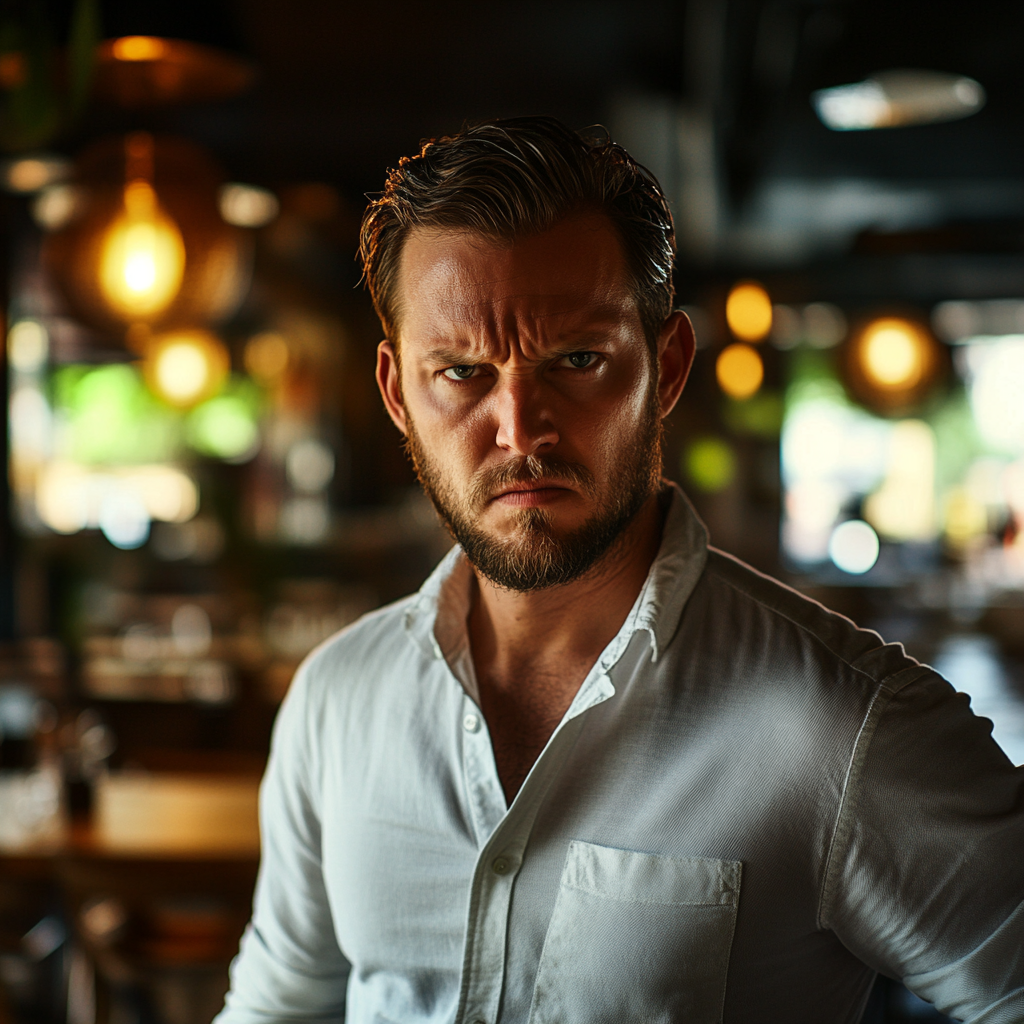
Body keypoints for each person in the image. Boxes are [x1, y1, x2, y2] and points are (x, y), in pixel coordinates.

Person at [216, 117, 1024, 1024]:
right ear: (398, 394)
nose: (520, 430)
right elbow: (280, 1007)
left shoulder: (841, 725)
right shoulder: (337, 700)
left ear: (667, 367)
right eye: (462, 373)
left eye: (576, 360)